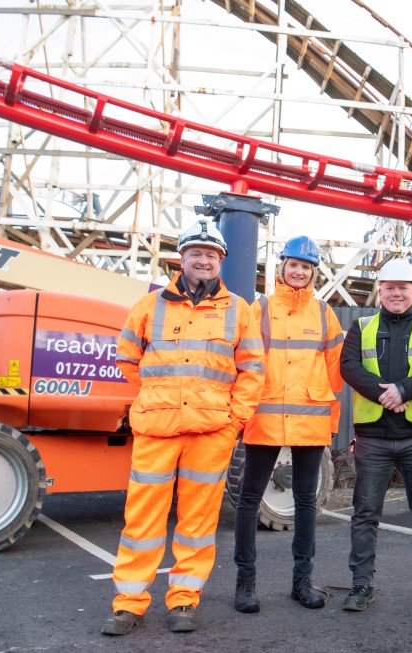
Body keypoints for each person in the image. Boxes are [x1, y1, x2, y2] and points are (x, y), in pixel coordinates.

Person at [101, 219, 265, 635]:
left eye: (211, 254)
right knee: (142, 521)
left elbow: (252, 371)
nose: (204, 260)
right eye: (196, 253)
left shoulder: (239, 310)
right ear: (182, 259)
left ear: (221, 261)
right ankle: (129, 604)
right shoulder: (149, 305)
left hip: (211, 431)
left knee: (197, 521)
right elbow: (126, 359)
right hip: (157, 428)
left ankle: (184, 601)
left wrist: (234, 420)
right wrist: (152, 399)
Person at [233, 236, 344, 613]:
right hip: (263, 419)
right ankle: (245, 585)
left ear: (314, 272)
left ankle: (303, 582)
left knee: (305, 502)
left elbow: (335, 371)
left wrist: (329, 417)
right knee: (249, 501)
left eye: (306, 267)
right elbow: (243, 362)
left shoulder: (324, 312)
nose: (298, 271)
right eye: (293, 264)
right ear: (281, 267)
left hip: (309, 421)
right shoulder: (258, 308)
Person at [339, 258, 412, 612]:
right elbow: (349, 366)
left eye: (403, 287)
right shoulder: (361, 326)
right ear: (380, 291)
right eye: (389, 287)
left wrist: (402, 391)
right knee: (365, 514)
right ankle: (361, 586)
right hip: (373, 436)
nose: (396, 293)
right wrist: (385, 395)